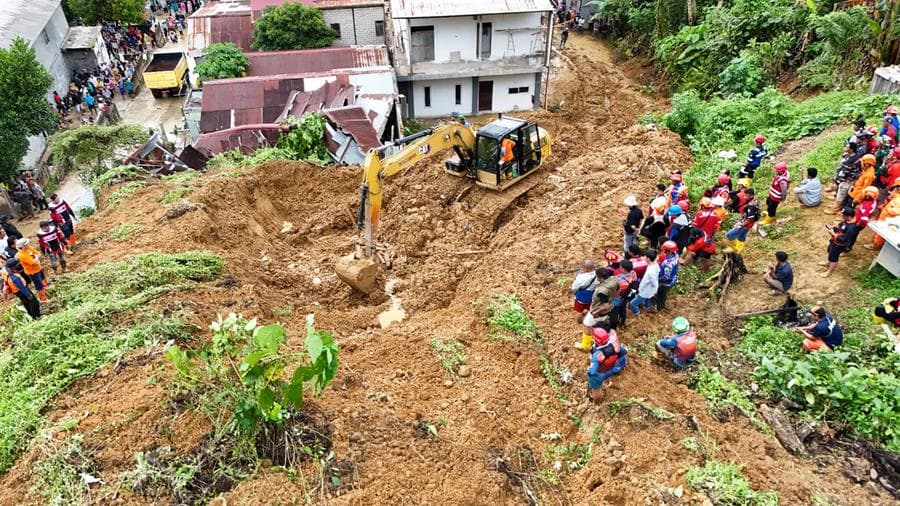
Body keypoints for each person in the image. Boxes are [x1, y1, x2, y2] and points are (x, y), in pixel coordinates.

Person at [586, 327, 627, 403]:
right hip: (612, 368)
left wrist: (589, 376)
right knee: (621, 361)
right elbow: (623, 352)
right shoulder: (615, 346)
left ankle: (596, 402)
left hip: (600, 373)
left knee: (595, 386)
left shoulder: (597, 355)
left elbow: (592, 371)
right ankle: (617, 370)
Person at [819, 207, 859, 278]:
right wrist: (833, 227)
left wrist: (833, 234)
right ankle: (828, 262)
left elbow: (844, 239)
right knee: (830, 251)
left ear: (848, 216)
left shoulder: (852, 228)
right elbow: (841, 225)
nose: (842, 216)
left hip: (839, 245)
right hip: (834, 241)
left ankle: (829, 271)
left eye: (843, 215)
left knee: (834, 258)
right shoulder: (847, 220)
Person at [581, 268, 618, 342]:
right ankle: (597, 338)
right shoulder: (613, 280)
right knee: (598, 324)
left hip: (599, 311)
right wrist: (612, 298)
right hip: (608, 309)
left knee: (586, 325)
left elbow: (605, 306)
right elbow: (618, 290)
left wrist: (595, 313)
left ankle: (586, 345)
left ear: (600, 278)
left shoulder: (602, 290)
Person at [725, 188, 759, 254]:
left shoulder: (750, 206)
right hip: (747, 222)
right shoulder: (755, 200)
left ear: (751, 195)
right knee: (741, 236)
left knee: (729, 235)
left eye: (746, 195)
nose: (744, 197)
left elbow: (750, 219)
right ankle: (739, 249)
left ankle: (733, 248)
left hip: (746, 224)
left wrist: (741, 225)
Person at [572, 259, 597, 346]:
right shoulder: (598, 275)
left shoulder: (581, 277)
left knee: (579, 310)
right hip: (592, 296)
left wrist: (574, 293)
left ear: (585, 268)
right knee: (589, 307)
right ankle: (587, 314)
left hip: (582, 297)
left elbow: (574, 287)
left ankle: (579, 321)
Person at [629, 247, 658, 316]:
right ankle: (647, 308)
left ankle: (637, 314)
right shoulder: (655, 265)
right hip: (648, 289)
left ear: (648, 258)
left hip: (645, 290)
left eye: (645, 256)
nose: (644, 257)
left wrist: (655, 290)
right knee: (647, 299)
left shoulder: (650, 272)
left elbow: (654, 282)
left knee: (632, 303)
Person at [656, 241, 679, 311]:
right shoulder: (676, 255)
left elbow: (666, 277)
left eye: (665, 251)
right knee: (664, 294)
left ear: (669, 252)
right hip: (673, 279)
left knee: (660, 294)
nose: (664, 252)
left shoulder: (668, 264)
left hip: (666, 283)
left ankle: (659, 308)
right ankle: (662, 305)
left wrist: (657, 279)